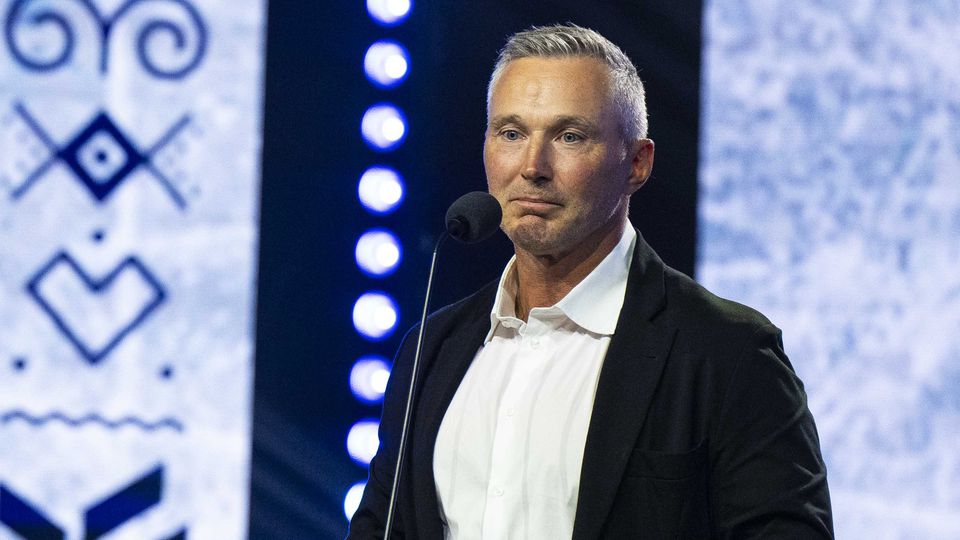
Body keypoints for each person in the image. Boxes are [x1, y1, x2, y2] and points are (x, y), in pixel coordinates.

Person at [348, 24, 833, 539]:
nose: (533, 167)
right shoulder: (431, 350)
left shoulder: (727, 353)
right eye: (511, 133)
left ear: (637, 164)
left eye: (569, 136)